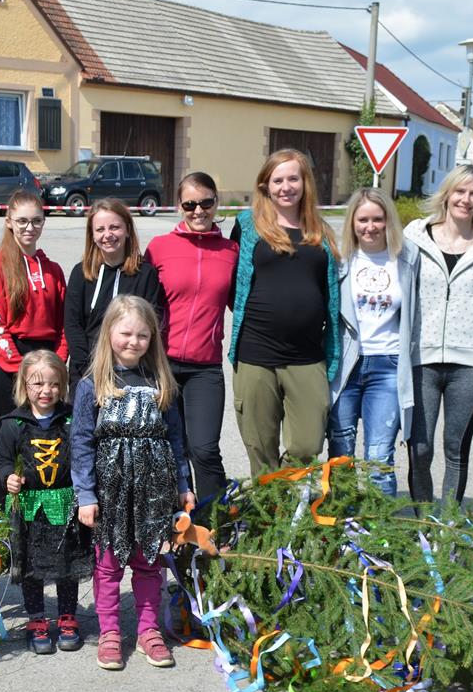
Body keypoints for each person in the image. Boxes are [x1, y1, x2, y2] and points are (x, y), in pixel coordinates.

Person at [71, 295, 193, 671]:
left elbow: (176, 440)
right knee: (108, 565)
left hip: (154, 491)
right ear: (109, 333)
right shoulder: (92, 385)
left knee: (149, 562)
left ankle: (148, 631)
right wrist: (85, 494)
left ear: (152, 338)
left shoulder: (161, 382)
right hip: (110, 493)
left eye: (142, 335)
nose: (133, 341)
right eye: (125, 333)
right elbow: (81, 442)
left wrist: (183, 484)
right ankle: (109, 632)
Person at [229, 149, 340, 477]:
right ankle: (269, 507)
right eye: (277, 180)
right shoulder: (247, 225)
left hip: (306, 356)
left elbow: (330, 293)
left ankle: (289, 494)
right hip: (256, 353)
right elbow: (232, 282)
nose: (286, 187)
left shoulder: (321, 231)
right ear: (265, 185)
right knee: (260, 447)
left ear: (305, 183)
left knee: (307, 445)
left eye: (293, 178)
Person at [402, 164, 473, 506]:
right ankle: (423, 520)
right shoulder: (414, 237)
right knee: (420, 448)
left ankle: (447, 522)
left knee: (455, 447)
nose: (466, 199)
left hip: (470, 361)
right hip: (422, 358)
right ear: (447, 194)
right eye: (460, 191)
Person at [146, 171, 238, 508]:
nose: (198, 210)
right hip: (163, 365)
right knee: (168, 448)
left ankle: (216, 521)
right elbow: (141, 304)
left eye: (206, 203)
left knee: (204, 449)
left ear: (216, 203)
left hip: (205, 368)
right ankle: (172, 520)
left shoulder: (230, 251)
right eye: (189, 204)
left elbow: (243, 303)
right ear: (178, 206)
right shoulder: (159, 248)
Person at [0, 349, 90, 654]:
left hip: (65, 501)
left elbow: (85, 453)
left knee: (67, 560)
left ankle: (67, 616)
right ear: (24, 385)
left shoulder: (72, 420)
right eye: (37, 383)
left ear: (63, 385)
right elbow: (1, 459)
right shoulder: (13, 423)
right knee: (31, 563)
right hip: (30, 504)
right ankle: (36, 619)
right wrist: (8, 476)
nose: (46, 390)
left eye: (54, 384)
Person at [327, 188, 420, 496]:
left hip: (387, 365)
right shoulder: (341, 261)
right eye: (363, 220)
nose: (370, 227)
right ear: (352, 222)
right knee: (341, 449)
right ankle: (341, 517)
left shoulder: (406, 258)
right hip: (347, 364)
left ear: (388, 220)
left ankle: (380, 521)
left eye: (377, 219)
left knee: (379, 456)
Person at [0, 190, 68, 506]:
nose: (29, 228)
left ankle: (44, 514)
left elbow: (64, 324)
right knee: (10, 446)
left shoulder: (53, 270)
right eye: (22, 221)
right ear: (9, 222)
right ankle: (6, 517)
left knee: (47, 442)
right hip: (10, 364)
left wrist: (55, 365)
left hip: (47, 362)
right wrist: (23, 372)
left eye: (36, 221)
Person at [64, 198, 161, 391]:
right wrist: (89, 371)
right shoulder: (81, 273)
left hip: (131, 374)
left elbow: (150, 326)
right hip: (86, 373)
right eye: (100, 229)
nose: (107, 235)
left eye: (115, 227)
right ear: (92, 235)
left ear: (127, 230)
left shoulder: (146, 274)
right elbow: (72, 325)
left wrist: (129, 368)